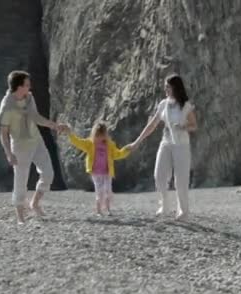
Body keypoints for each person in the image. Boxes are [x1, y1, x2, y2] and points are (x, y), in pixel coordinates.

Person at [0, 70, 69, 224]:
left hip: (37, 141)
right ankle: (20, 215)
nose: (30, 87)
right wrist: (9, 153)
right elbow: (3, 133)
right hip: (20, 146)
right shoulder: (7, 106)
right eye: (27, 85)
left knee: (48, 173)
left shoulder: (29, 98)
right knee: (21, 181)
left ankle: (34, 203)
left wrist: (55, 126)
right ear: (18, 87)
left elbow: (36, 117)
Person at [128, 74, 198, 220]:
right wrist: (137, 142)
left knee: (181, 180)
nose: (165, 89)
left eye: (168, 86)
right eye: (165, 86)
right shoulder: (163, 105)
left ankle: (183, 211)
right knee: (159, 175)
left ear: (175, 87)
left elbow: (194, 125)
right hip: (166, 142)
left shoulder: (186, 106)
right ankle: (164, 205)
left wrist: (184, 126)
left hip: (182, 145)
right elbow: (152, 125)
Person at [66, 122, 131, 216]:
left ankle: (108, 209)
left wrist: (126, 150)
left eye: (102, 135)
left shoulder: (110, 145)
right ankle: (99, 210)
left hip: (107, 172)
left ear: (105, 135)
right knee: (99, 191)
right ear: (94, 134)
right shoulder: (89, 143)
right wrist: (70, 133)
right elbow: (78, 142)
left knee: (108, 190)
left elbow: (117, 154)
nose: (99, 138)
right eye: (97, 135)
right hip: (96, 173)